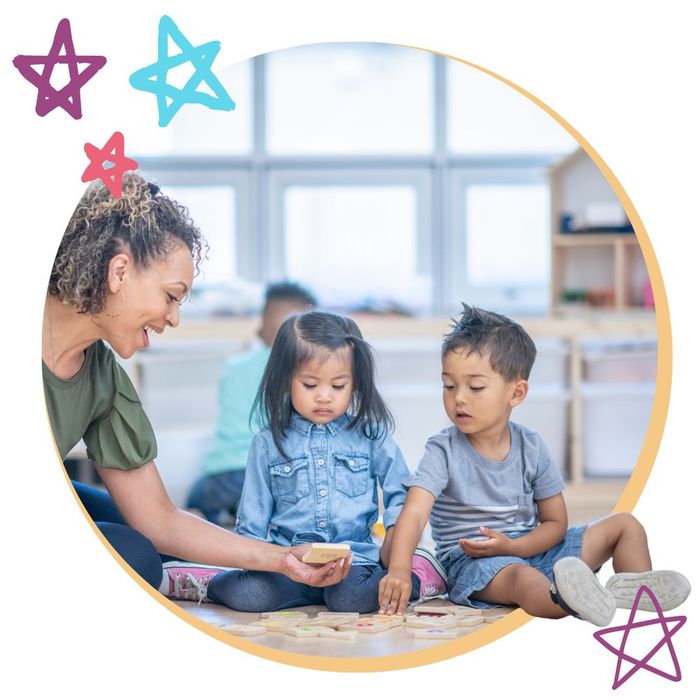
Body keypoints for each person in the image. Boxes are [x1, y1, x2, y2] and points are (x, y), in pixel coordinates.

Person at [43, 173, 350, 602]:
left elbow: (160, 519)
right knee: (133, 554)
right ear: (119, 272)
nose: (174, 318)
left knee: (148, 541)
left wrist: (281, 558)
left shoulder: (103, 375)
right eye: (171, 296)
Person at [378, 304, 690, 625]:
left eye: (475, 387)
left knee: (625, 525)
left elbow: (555, 523)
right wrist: (400, 571)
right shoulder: (441, 449)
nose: (459, 398)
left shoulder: (531, 445)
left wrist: (517, 545)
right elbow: (413, 514)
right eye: (449, 385)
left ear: (517, 392)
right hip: (477, 563)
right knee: (522, 581)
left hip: (536, 549)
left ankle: (631, 589)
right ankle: (564, 598)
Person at [206, 310, 447, 613]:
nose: (324, 397)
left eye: (337, 386)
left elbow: (402, 493)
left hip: (354, 561)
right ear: (285, 381)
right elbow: (252, 519)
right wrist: (251, 565)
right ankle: (199, 576)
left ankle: (421, 575)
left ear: (355, 383)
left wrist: (397, 549)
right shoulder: (267, 443)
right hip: (290, 564)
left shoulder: (371, 435)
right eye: (310, 385)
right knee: (243, 594)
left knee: (348, 599)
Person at [186, 282, 318, 525]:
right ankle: (258, 516)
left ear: (260, 329)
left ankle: (209, 517)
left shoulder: (234, 367)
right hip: (272, 476)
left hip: (220, 478)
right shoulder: (303, 373)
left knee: (196, 499)